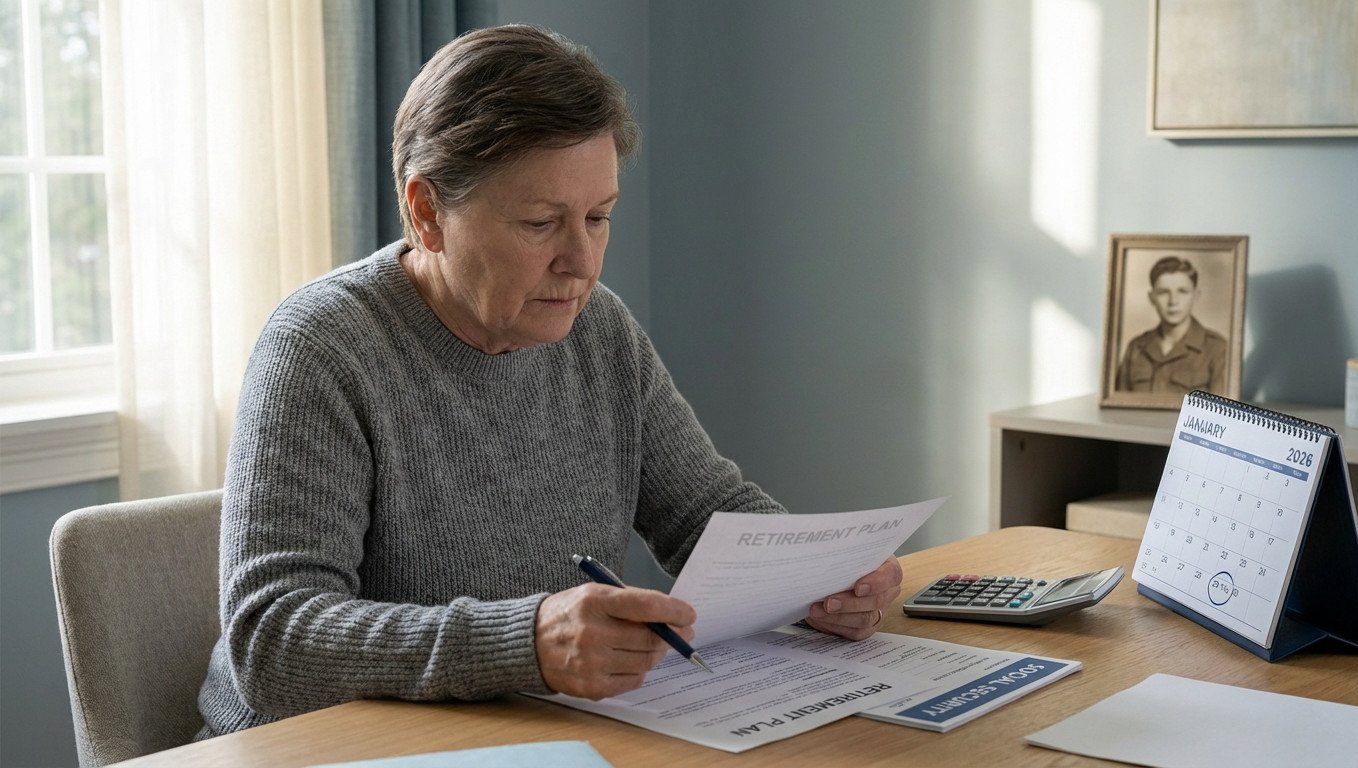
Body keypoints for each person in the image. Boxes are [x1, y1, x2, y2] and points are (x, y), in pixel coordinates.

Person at [195, 24, 902, 739]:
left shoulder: (599, 329)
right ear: (427, 212)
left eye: (599, 217)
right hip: (320, 747)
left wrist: (817, 576)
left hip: (522, 735)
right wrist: (524, 641)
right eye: (541, 223)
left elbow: (706, 513)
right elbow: (273, 640)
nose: (582, 262)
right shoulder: (321, 347)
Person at [1115, 255, 1228, 394]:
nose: (1173, 301)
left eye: (1182, 292)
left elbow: (1220, 413)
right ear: (1152, 298)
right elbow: (1118, 409)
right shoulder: (1136, 348)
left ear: (1195, 296)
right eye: (1163, 292)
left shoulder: (1217, 350)